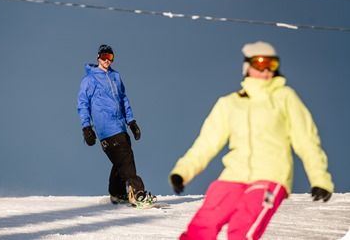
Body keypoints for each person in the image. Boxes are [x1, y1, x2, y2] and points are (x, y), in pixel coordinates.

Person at [169, 41, 334, 240]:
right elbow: (207, 142)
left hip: (270, 175)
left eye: (272, 65)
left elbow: (306, 139)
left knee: (242, 232)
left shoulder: (284, 97)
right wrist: (182, 172)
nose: (266, 70)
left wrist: (319, 179)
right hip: (233, 175)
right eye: (260, 63)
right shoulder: (229, 103)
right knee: (201, 228)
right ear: (247, 67)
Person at [77, 44, 152, 205]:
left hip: (120, 126)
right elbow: (83, 104)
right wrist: (86, 127)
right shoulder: (90, 79)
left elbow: (123, 99)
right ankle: (138, 194)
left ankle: (118, 193)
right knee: (126, 160)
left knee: (121, 159)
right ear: (98, 57)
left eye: (109, 57)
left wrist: (131, 122)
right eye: (104, 56)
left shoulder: (115, 76)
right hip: (105, 128)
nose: (106, 60)